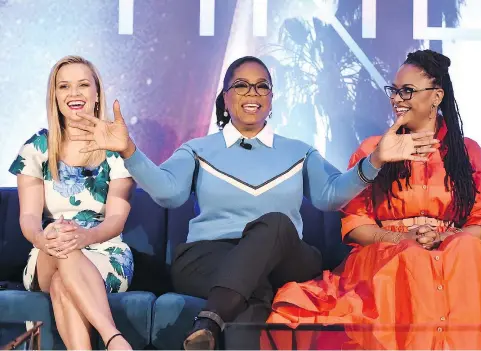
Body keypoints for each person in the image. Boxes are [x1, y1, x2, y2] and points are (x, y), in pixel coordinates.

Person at [68, 56, 438, 350]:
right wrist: (129, 151)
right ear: (225, 97)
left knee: (275, 223)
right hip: (207, 257)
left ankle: (208, 321)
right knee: (254, 291)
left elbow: (329, 197)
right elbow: (168, 193)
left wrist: (375, 160)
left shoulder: (298, 151)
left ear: (271, 99)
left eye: (262, 86)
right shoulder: (198, 149)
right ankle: (219, 323)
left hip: (285, 255)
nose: (253, 92)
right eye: (241, 85)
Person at [265, 50, 481, 350]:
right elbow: (355, 224)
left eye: (407, 91)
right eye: (394, 90)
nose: (397, 99)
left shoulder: (468, 152)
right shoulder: (372, 150)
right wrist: (402, 237)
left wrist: (444, 237)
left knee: (469, 249)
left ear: (436, 96)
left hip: (455, 249)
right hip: (385, 252)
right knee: (413, 257)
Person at [9, 56, 135, 350]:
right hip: (48, 250)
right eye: (64, 86)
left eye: (82, 85)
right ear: (55, 95)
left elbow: (116, 219)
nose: (74, 94)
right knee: (62, 243)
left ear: (96, 94)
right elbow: (28, 217)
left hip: (104, 250)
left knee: (61, 284)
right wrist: (42, 238)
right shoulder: (37, 147)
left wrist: (85, 236)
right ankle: (114, 338)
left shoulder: (116, 147)